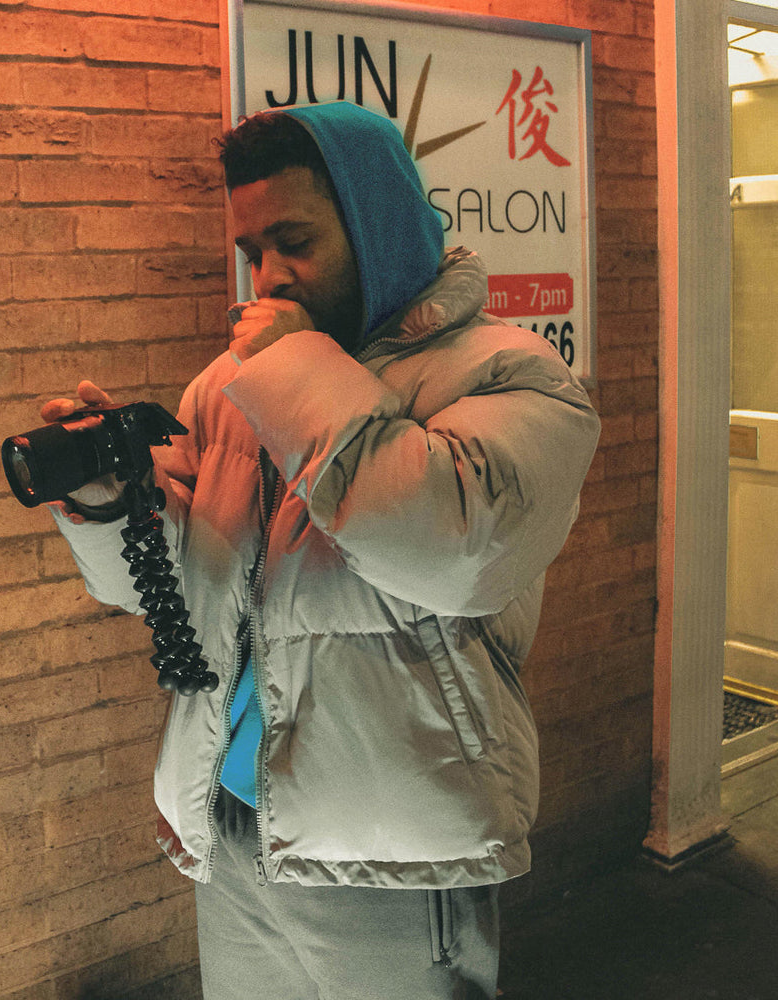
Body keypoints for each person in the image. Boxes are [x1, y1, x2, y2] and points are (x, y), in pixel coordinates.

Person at [41, 102, 600, 1000]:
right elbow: (173, 591)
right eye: (252, 251)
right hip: (231, 825)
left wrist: (290, 368)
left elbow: (450, 552)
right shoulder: (230, 388)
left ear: (376, 226)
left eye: (292, 241)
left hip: (391, 851)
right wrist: (112, 504)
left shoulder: (515, 374)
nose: (268, 277)